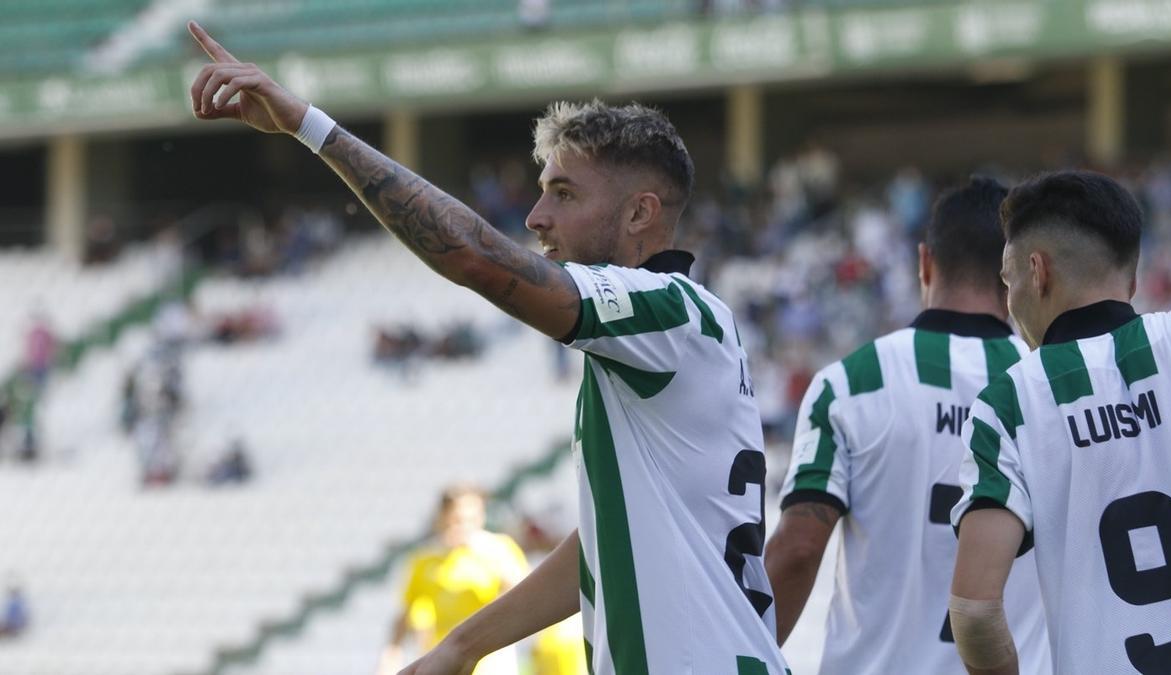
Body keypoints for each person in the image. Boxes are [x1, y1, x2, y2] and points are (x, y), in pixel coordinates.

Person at [186, 22, 790, 675]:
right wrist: (462, 646)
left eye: (563, 193)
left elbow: (478, 257)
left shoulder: (667, 311)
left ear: (641, 213)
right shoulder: (664, 339)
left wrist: (309, 126)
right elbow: (605, 545)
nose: (535, 218)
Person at [765, 177, 1050, 673]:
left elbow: (799, 550)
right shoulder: (1045, 386)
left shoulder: (850, 383)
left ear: (924, 262)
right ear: (1014, 272)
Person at [948, 171, 1171, 674]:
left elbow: (974, 612)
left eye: (1007, 280)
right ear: (1131, 276)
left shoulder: (1009, 402)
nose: (1009, 302)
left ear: (1037, 273)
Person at [378, 486, 528, 675]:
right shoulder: (425, 561)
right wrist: (391, 656)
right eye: (457, 519)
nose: (462, 526)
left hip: (492, 661)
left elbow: (524, 594)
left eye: (470, 519)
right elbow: (405, 616)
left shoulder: (499, 550)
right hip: (444, 659)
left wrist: (486, 555)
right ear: (443, 518)